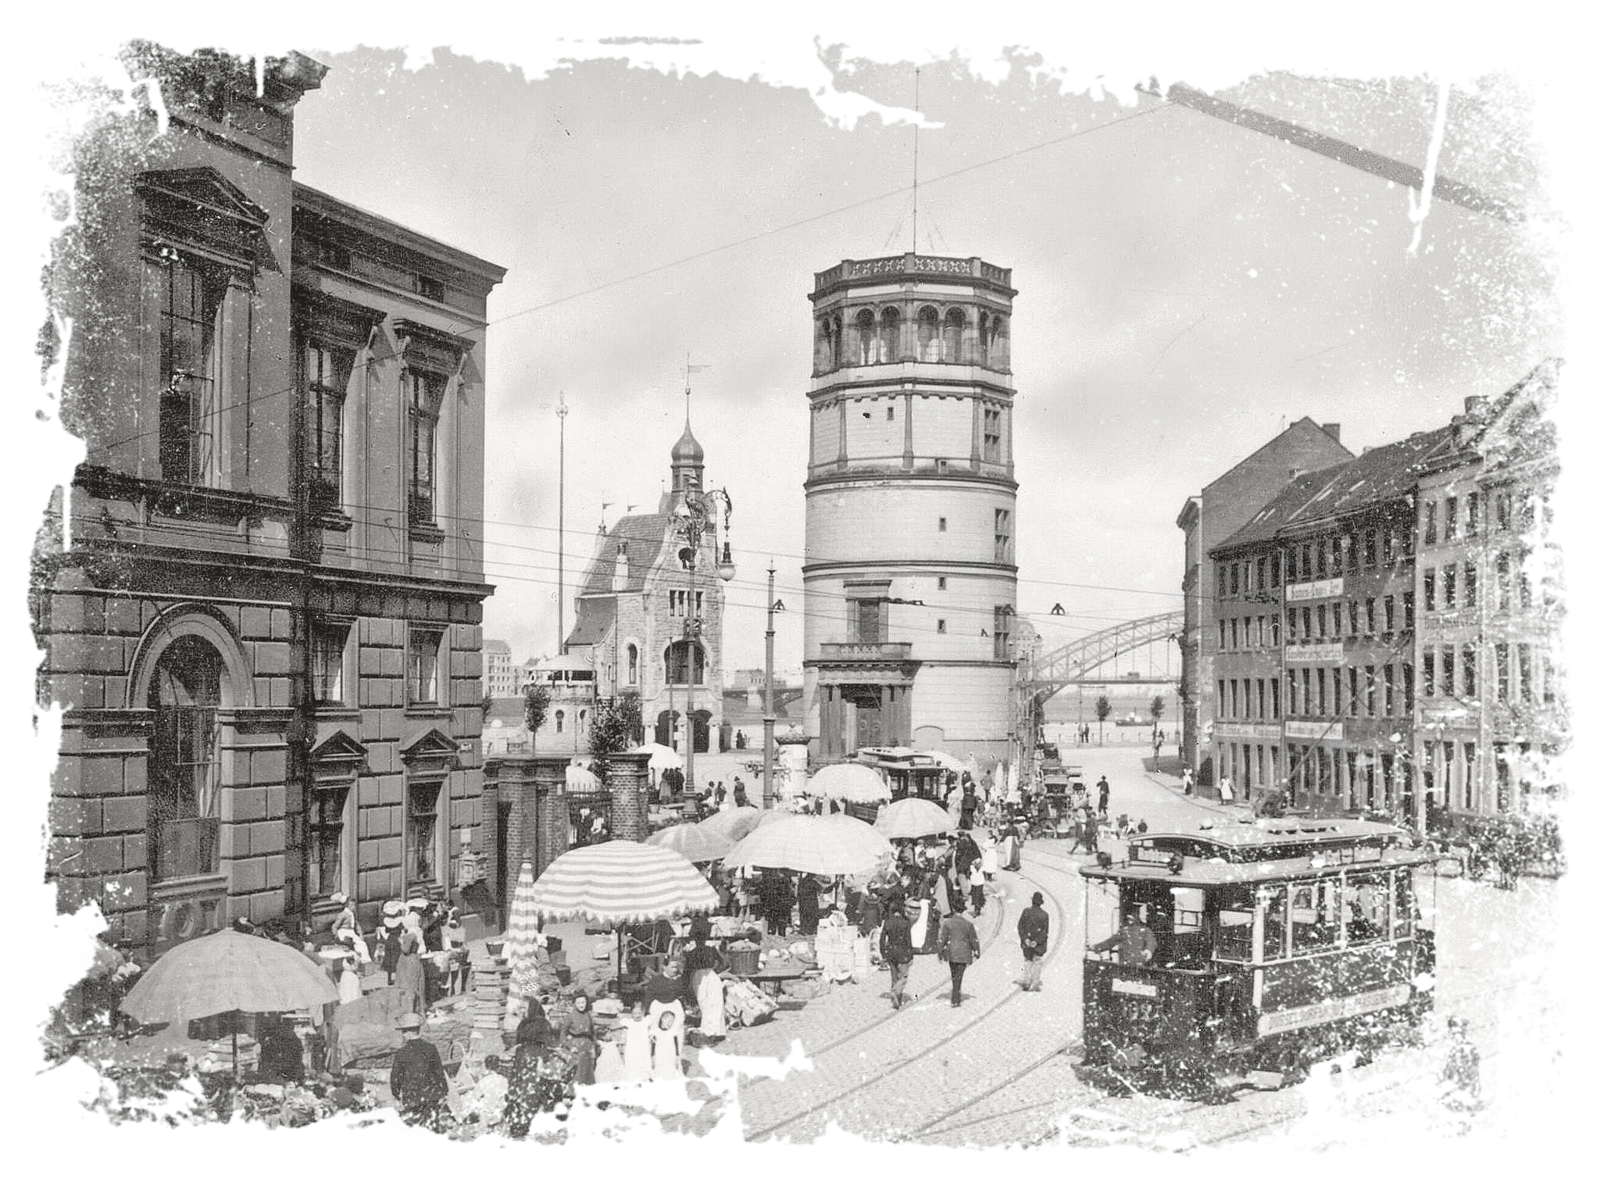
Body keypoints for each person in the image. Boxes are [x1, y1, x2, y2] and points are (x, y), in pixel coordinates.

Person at [390, 1012, 448, 1158]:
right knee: (432, 1130)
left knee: (412, 1131)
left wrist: (395, 1093)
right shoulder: (431, 1048)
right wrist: (444, 1092)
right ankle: (432, 1156)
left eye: (403, 1031)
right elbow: (439, 1072)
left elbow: (395, 1076)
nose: (403, 1035)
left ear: (409, 1032)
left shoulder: (401, 1053)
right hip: (431, 1096)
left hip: (412, 1098)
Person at [1429, 1014, 1483, 1157]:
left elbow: (1458, 1084)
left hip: (1459, 1108)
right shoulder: (1469, 1047)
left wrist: (1450, 1107)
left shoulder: (1459, 1050)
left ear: (1449, 1031)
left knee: (1459, 1148)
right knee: (1460, 1142)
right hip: (1468, 1105)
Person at [147, 1052, 201, 1156]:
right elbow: (181, 1111)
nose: (185, 1068)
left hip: (160, 1127)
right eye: (184, 1065)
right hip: (171, 1130)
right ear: (177, 1066)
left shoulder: (164, 1079)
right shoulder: (177, 1084)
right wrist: (200, 1112)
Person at [936, 903, 981, 1008]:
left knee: (954, 974)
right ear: (963, 912)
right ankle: (956, 999)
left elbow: (942, 940)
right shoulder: (968, 924)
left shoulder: (948, 923)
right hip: (964, 954)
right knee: (959, 976)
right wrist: (977, 952)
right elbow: (973, 940)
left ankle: (955, 996)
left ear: (953, 909)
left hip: (951, 953)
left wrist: (940, 953)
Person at [684, 931, 727, 1040]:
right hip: (701, 975)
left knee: (714, 1003)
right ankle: (709, 1030)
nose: (700, 941)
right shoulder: (695, 952)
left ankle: (717, 1030)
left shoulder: (702, 951)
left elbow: (724, 962)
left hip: (707, 975)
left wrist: (714, 972)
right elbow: (724, 963)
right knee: (705, 1003)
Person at [562, 993, 599, 1113]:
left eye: (583, 1002)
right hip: (576, 1046)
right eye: (578, 1003)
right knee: (576, 1074)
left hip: (586, 1046)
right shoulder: (570, 1016)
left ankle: (583, 1102)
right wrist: (570, 1046)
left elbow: (593, 1033)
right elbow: (562, 1035)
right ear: (574, 1004)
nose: (581, 1005)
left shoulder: (588, 1016)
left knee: (586, 1073)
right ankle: (574, 1103)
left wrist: (593, 1046)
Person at [879, 902, 915, 1010]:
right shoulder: (905, 923)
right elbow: (908, 941)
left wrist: (883, 953)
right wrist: (911, 954)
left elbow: (882, 939)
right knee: (903, 976)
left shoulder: (888, 923)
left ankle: (896, 999)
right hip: (903, 953)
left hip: (891, 953)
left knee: (894, 977)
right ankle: (896, 992)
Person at [618, 1001, 654, 1108]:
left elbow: (651, 1035)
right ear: (631, 1014)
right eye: (635, 1014)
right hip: (632, 1052)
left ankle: (642, 1096)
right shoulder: (628, 1023)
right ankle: (630, 1097)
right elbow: (623, 1037)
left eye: (639, 1013)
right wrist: (622, 1047)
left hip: (643, 1051)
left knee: (643, 1073)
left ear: (643, 1012)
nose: (637, 1016)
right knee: (632, 1073)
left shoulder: (646, 1022)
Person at [472, 1055, 509, 1156]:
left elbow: (477, 1095)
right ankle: (497, 1152)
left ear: (486, 1067)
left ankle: (482, 1153)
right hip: (499, 1111)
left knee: (483, 1132)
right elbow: (505, 1093)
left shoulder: (483, 1082)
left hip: (486, 1112)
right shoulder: (503, 1080)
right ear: (499, 1066)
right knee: (498, 1132)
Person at [650, 1003, 687, 1105]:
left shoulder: (673, 1032)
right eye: (668, 1020)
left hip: (669, 1057)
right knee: (661, 1076)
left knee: (671, 1076)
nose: (670, 1023)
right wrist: (653, 1056)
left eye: (672, 1021)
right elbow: (653, 1045)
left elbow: (676, 1045)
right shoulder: (656, 1032)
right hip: (660, 1057)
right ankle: (660, 1096)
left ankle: (672, 1096)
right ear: (662, 1019)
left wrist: (676, 1057)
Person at [1092, 910, 1156, 966]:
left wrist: (1148, 950)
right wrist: (1095, 947)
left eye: (1132, 917)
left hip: (1139, 964)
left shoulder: (1145, 930)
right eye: (1128, 918)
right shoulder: (1123, 931)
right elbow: (1110, 942)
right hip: (1125, 964)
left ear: (1137, 917)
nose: (1130, 920)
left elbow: (1151, 941)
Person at [1016, 892, 1049, 993]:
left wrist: (1025, 939)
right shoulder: (1044, 915)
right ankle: (1034, 984)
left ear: (1032, 901)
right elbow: (1045, 932)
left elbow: (1020, 927)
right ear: (1040, 903)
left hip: (1027, 944)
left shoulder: (1026, 912)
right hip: (1038, 945)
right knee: (1037, 963)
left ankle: (1026, 982)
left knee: (1028, 961)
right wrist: (1036, 941)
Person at [329, 893, 371, 965]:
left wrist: (360, 934)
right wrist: (336, 936)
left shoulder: (352, 914)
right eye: (351, 905)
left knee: (361, 944)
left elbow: (356, 924)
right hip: (344, 932)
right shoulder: (343, 914)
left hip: (351, 932)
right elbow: (335, 926)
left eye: (354, 905)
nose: (353, 907)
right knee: (356, 944)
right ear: (347, 905)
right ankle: (360, 960)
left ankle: (364, 961)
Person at [323, 1086, 362, 1158]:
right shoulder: (339, 1116)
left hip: (343, 1152)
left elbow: (357, 1128)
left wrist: (339, 1134)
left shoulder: (344, 1117)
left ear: (335, 1105)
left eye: (330, 1104)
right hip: (337, 1150)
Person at [1527, 1046, 1569, 1111]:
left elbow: (1530, 1108)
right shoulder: (1567, 1085)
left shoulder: (1538, 1081)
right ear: (1567, 1064)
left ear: (1552, 1061)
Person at [395, 931, 426, 1014]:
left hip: (409, 963)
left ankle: (410, 1011)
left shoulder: (409, 936)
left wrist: (401, 943)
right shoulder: (416, 934)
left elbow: (406, 950)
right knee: (416, 986)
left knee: (410, 988)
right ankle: (418, 1009)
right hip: (413, 961)